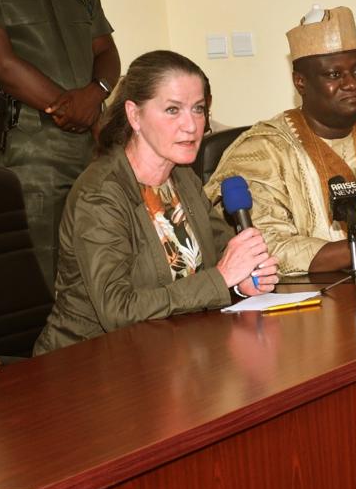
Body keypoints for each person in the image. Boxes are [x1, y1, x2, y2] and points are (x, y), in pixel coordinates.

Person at [34, 51, 278, 355]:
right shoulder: (100, 194)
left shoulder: (183, 178)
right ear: (135, 115)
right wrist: (222, 278)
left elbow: (221, 254)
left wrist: (244, 282)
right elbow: (118, 311)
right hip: (90, 365)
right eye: (173, 110)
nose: (191, 126)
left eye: (198, 109)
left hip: (170, 354)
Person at [205, 5, 356, 275]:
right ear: (300, 83)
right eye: (334, 75)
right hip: (314, 304)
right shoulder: (262, 150)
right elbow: (268, 247)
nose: (352, 84)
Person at [0, 0, 121, 290]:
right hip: (30, 151)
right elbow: (0, 63)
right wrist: (66, 106)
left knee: (102, 267)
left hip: (93, 142)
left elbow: (106, 48)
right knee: (40, 280)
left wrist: (95, 95)